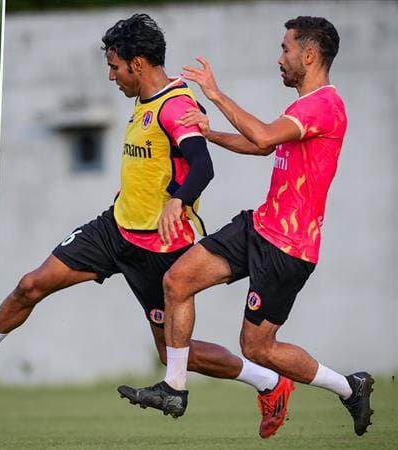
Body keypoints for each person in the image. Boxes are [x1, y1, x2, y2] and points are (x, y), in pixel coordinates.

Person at [0, 14, 295, 438]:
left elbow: (203, 166)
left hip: (161, 248)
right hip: (114, 229)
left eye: (115, 67)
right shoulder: (144, 100)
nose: (111, 76)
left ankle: (269, 382)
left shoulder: (177, 106)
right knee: (30, 285)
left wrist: (177, 200)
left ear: (137, 64)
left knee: (173, 354)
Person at [123, 16, 374, 436]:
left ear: (308, 55)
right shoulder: (302, 106)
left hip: (289, 247)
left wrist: (215, 95)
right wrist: (213, 133)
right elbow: (264, 148)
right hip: (258, 226)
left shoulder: (324, 105)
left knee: (257, 348)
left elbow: (260, 137)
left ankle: (349, 387)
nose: (281, 58)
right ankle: (175, 388)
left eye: (286, 49)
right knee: (177, 280)